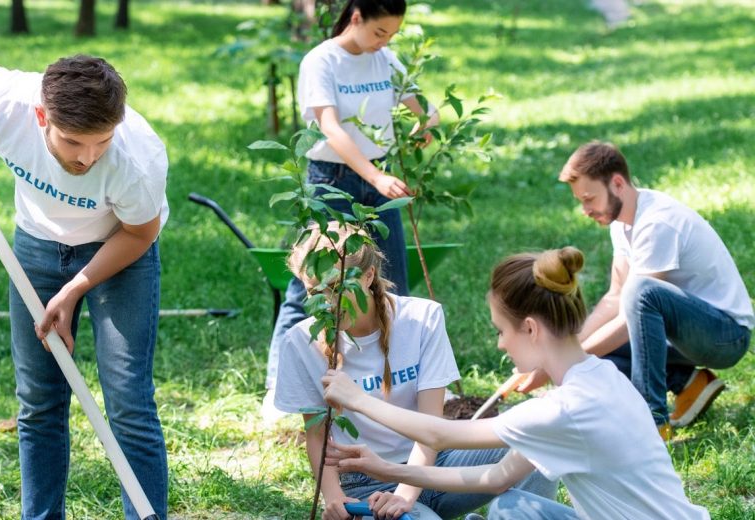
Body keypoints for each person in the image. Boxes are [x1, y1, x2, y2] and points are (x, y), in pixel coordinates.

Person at [322, 247, 710, 520]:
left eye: (501, 331)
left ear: (530, 328)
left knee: (510, 511)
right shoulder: (602, 376)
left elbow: (438, 434)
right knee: (510, 505)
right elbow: (497, 477)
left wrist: (358, 399)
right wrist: (390, 472)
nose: (500, 343)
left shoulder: (562, 411)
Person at [0, 49, 169, 519]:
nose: (88, 158)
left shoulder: (139, 159)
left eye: (102, 141)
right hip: (36, 246)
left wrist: (73, 291)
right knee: (38, 402)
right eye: (73, 142)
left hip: (119, 248)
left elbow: (140, 233)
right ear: (40, 115)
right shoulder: (4, 104)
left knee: (129, 402)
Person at [274, 223, 554, 520]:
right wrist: (334, 497)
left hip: (435, 463)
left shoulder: (422, 319)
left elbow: (430, 426)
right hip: (365, 482)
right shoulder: (299, 342)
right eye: (313, 292)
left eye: (334, 289)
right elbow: (316, 433)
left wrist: (405, 494)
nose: (325, 305)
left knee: (535, 441)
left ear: (368, 276)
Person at [262, 0, 441, 422]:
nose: (385, 43)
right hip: (334, 179)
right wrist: (375, 178)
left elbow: (423, 107)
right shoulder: (321, 61)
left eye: (393, 35)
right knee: (310, 285)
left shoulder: (386, 58)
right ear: (356, 17)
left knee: (393, 277)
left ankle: (397, 387)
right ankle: (278, 389)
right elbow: (330, 128)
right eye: (380, 32)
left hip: (377, 176)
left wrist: (424, 128)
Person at [523, 141, 753, 438]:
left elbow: (638, 305)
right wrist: (566, 348)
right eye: (581, 201)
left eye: (590, 199)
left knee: (642, 293)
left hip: (725, 336)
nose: (585, 210)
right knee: (601, 354)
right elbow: (615, 296)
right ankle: (688, 382)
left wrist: (568, 361)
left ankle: (654, 422)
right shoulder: (621, 222)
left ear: (617, 183)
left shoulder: (658, 222)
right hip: (685, 334)